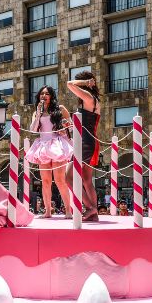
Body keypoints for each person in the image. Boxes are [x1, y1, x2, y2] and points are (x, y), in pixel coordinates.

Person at [25, 85, 73, 218]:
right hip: (43, 146)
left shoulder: (60, 109)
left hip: (57, 144)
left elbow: (71, 127)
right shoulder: (37, 111)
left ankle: (68, 211)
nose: (43, 96)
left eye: (46, 94)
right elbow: (33, 130)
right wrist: (38, 113)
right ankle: (47, 210)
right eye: (41, 94)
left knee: (59, 180)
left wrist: (65, 127)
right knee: (45, 181)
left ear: (51, 96)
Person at [65, 70, 101, 221]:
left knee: (68, 178)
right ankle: (95, 215)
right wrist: (72, 126)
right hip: (90, 140)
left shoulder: (88, 97)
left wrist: (84, 83)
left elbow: (68, 84)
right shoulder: (95, 100)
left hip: (85, 142)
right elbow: (88, 123)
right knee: (87, 180)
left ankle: (90, 208)